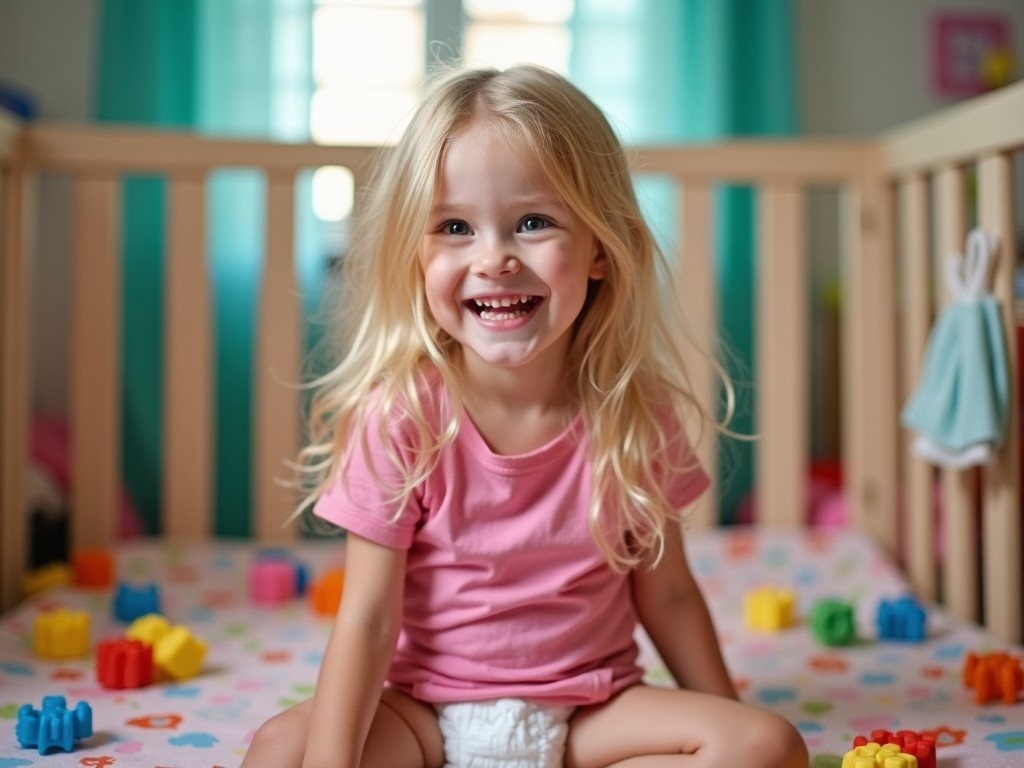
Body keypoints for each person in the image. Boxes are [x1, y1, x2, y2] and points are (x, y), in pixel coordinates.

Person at [241, 63, 809, 768]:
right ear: (416, 258)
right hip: (424, 715)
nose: (495, 258)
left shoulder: (635, 414)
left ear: (601, 248)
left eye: (533, 222)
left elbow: (669, 597)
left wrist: (726, 712)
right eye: (454, 227)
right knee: (280, 750)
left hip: (589, 718)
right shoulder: (403, 415)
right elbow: (368, 617)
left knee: (767, 746)